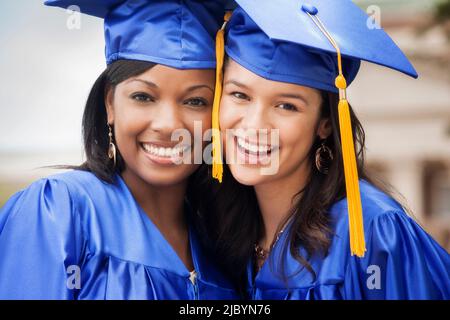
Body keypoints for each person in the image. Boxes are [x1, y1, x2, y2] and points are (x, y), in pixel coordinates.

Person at [204, 0, 450, 299]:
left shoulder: (373, 231)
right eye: (239, 95)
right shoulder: (223, 231)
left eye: (286, 105)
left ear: (324, 124)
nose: (255, 124)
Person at [0, 0, 239, 299]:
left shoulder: (222, 247)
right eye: (143, 96)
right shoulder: (60, 211)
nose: (167, 125)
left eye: (195, 102)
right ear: (110, 103)